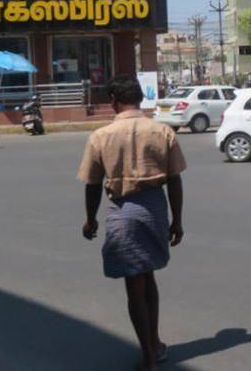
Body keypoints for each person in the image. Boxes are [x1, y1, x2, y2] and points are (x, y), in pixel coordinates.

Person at [77, 74, 186, 371]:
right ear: (140, 97)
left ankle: (149, 357)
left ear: (113, 100)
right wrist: (177, 221)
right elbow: (175, 181)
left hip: (123, 212)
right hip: (155, 211)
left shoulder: (100, 136)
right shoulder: (162, 131)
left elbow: (92, 184)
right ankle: (155, 343)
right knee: (148, 276)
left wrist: (90, 219)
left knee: (135, 286)